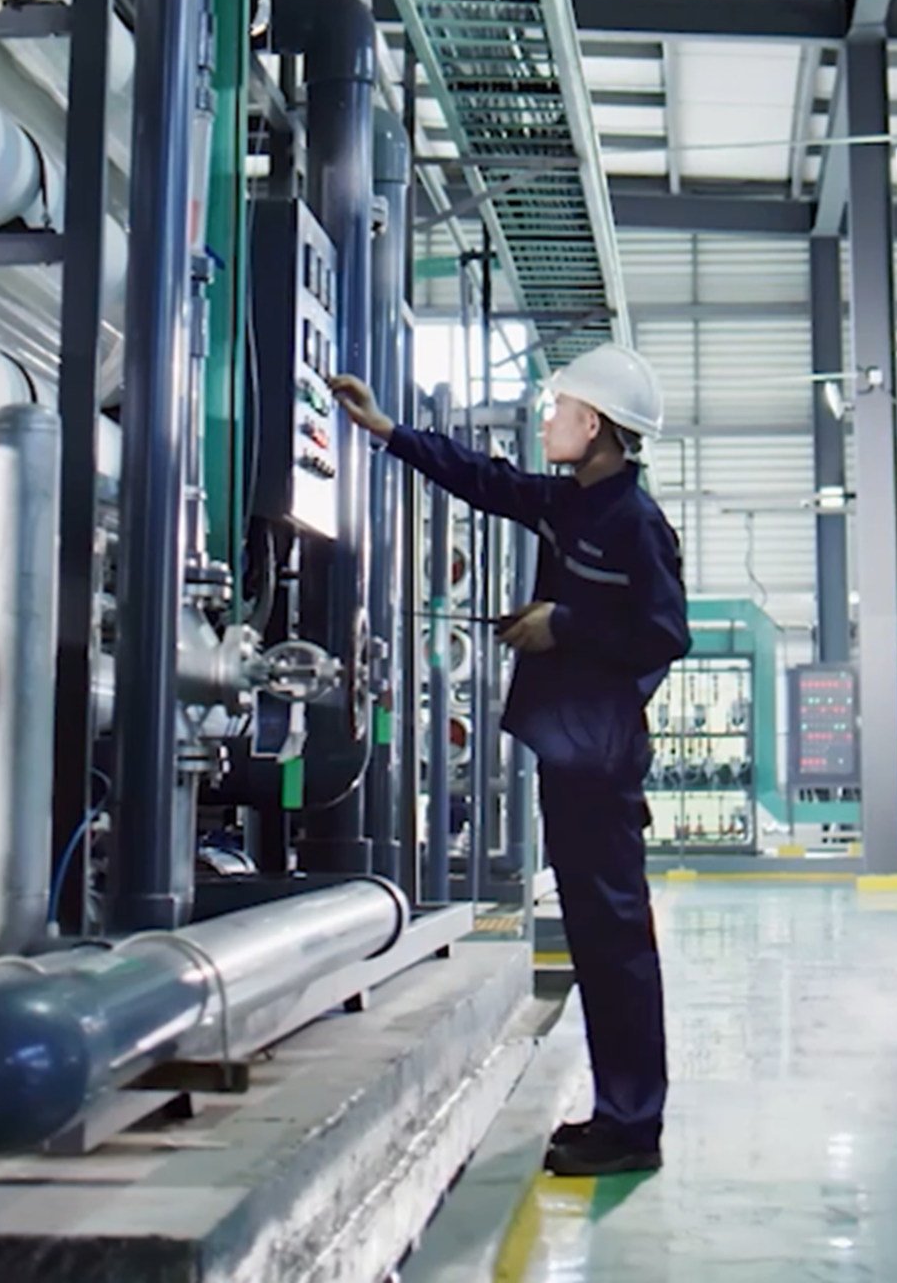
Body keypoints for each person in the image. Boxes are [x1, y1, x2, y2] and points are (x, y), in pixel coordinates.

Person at [328, 347, 688, 1178]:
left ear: (592, 425)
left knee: (615, 942)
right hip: (572, 753)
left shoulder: (635, 523)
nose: (547, 419)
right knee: (600, 943)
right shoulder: (569, 502)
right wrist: (385, 429)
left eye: (559, 408)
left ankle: (632, 1127)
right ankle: (617, 1115)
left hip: (599, 759)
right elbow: (485, 480)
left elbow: (664, 634)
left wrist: (563, 624)